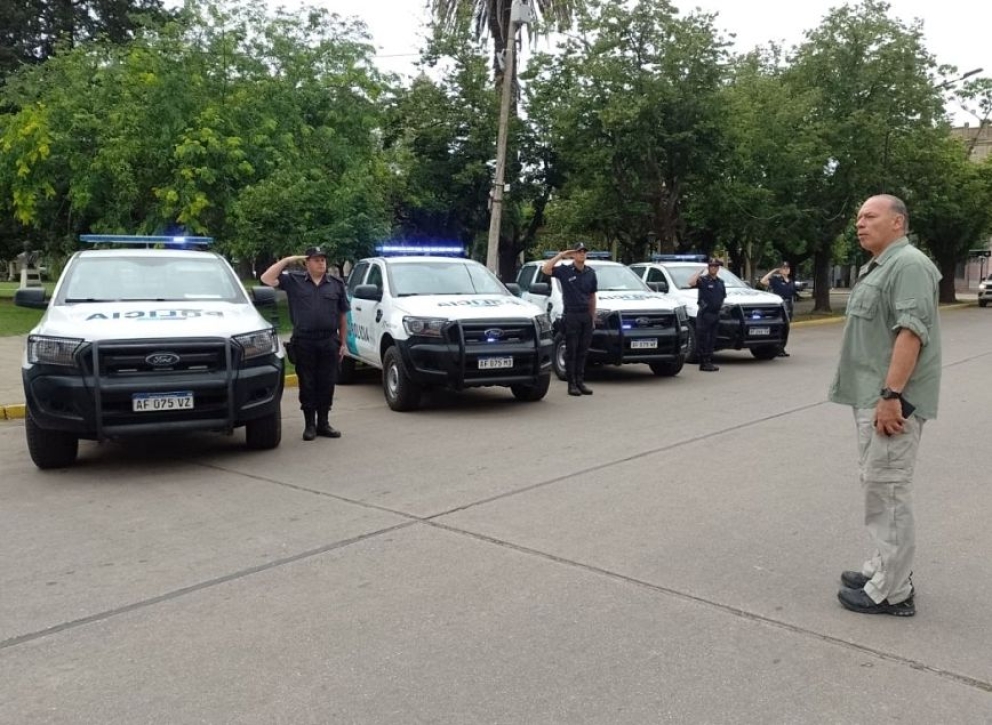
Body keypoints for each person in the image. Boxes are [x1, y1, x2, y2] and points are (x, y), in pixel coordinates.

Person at [828, 194, 941, 617]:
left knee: (889, 490)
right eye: (858, 216)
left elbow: (911, 333)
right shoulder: (880, 265)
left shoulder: (908, 264)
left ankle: (892, 591)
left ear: (897, 222)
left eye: (870, 216)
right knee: (878, 486)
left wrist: (892, 396)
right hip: (873, 398)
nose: (860, 223)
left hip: (892, 402)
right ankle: (882, 568)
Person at [261, 247, 350, 441]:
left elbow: (342, 316)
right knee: (307, 383)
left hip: (329, 341)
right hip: (304, 341)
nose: (321, 263)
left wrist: (343, 342)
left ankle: (323, 423)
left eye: (323, 260)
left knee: (327, 383)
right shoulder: (294, 281)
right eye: (316, 260)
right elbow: (266, 279)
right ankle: (310, 424)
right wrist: (287, 260)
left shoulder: (336, 284)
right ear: (306, 263)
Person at [543, 242, 598, 396]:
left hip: (585, 316)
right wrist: (561, 255)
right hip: (572, 315)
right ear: (573, 254)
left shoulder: (590, 273)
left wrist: (592, 317)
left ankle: (580, 382)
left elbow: (592, 296)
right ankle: (571, 384)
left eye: (584, 251)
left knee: (583, 351)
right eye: (579, 251)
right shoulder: (565, 271)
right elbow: (546, 269)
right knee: (571, 351)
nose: (582, 254)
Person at [687, 258, 727, 372]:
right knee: (704, 339)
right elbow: (691, 282)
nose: (713, 268)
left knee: (712, 340)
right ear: (708, 268)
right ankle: (703, 363)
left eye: (715, 266)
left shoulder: (720, 282)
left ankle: (708, 361)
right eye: (711, 266)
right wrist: (700, 271)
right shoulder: (703, 280)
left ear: (718, 268)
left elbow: (722, 297)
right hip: (705, 314)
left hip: (715, 314)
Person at [760, 261, 795, 357]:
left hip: (789, 306)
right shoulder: (776, 280)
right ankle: (776, 349)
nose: (786, 270)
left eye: (787, 268)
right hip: (780, 306)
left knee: (786, 329)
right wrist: (773, 271)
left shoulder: (791, 282)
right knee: (779, 328)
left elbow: (792, 295)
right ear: (780, 270)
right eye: (784, 268)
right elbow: (762, 281)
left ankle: (782, 348)